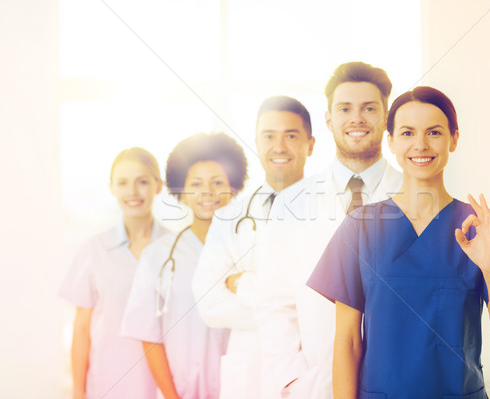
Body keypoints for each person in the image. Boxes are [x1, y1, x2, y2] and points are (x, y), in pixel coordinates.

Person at [307, 86, 490, 399]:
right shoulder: (360, 228)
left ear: (454, 139)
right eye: (408, 133)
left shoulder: (480, 226)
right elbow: (347, 342)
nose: (420, 145)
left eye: (434, 132)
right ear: (392, 142)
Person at [284, 61, 403, 398]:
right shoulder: (290, 202)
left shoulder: (416, 197)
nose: (357, 118)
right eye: (345, 108)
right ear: (328, 120)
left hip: (397, 382)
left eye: (369, 108)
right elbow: (273, 304)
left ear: (386, 118)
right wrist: (294, 380)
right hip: (314, 384)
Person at [192, 96, 315, 399]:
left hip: (311, 367)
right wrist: (294, 312)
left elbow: (328, 299)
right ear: (257, 144)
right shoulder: (229, 217)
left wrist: (242, 283)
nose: (279, 146)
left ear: (310, 145)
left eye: (291, 135)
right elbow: (209, 304)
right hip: (249, 372)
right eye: (269, 136)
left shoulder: (332, 212)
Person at [121, 133, 248, 399]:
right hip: (181, 391)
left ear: (233, 187)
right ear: (182, 190)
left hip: (244, 387)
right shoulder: (158, 256)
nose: (207, 192)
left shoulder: (250, 250)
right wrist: (171, 396)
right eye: (196, 183)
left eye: (217, 182)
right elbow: (149, 335)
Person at [59, 147, 168, 399]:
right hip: (107, 386)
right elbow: (81, 330)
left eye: (142, 181)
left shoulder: (177, 247)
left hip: (164, 388)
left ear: (158, 185)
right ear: (112, 188)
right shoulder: (93, 249)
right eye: (122, 183)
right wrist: (78, 393)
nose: (132, 192)